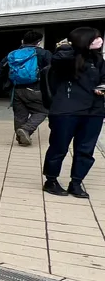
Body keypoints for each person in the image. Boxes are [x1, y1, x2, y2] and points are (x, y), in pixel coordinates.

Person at [43, 27, 105, 198]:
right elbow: (58, 59)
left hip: (94, 111)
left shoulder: (98, 60)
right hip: (66, 110)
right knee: (59, 147)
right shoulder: (66, 57)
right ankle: (51, 181)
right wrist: (71, 46)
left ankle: (76, 182)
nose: (100, 40)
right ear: (84, 40)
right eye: (95, 38)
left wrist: (102, 88)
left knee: (86, 149)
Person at [0, 30, 51, 146]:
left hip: (16, 89)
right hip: (36, 89)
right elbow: (53, 72)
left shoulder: (13, 54)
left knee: (20, 114)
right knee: (43, 110)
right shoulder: (44, 54)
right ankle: (26, 130)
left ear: (22, 41)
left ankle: (21, 138)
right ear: (38, 42)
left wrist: (6, 86)